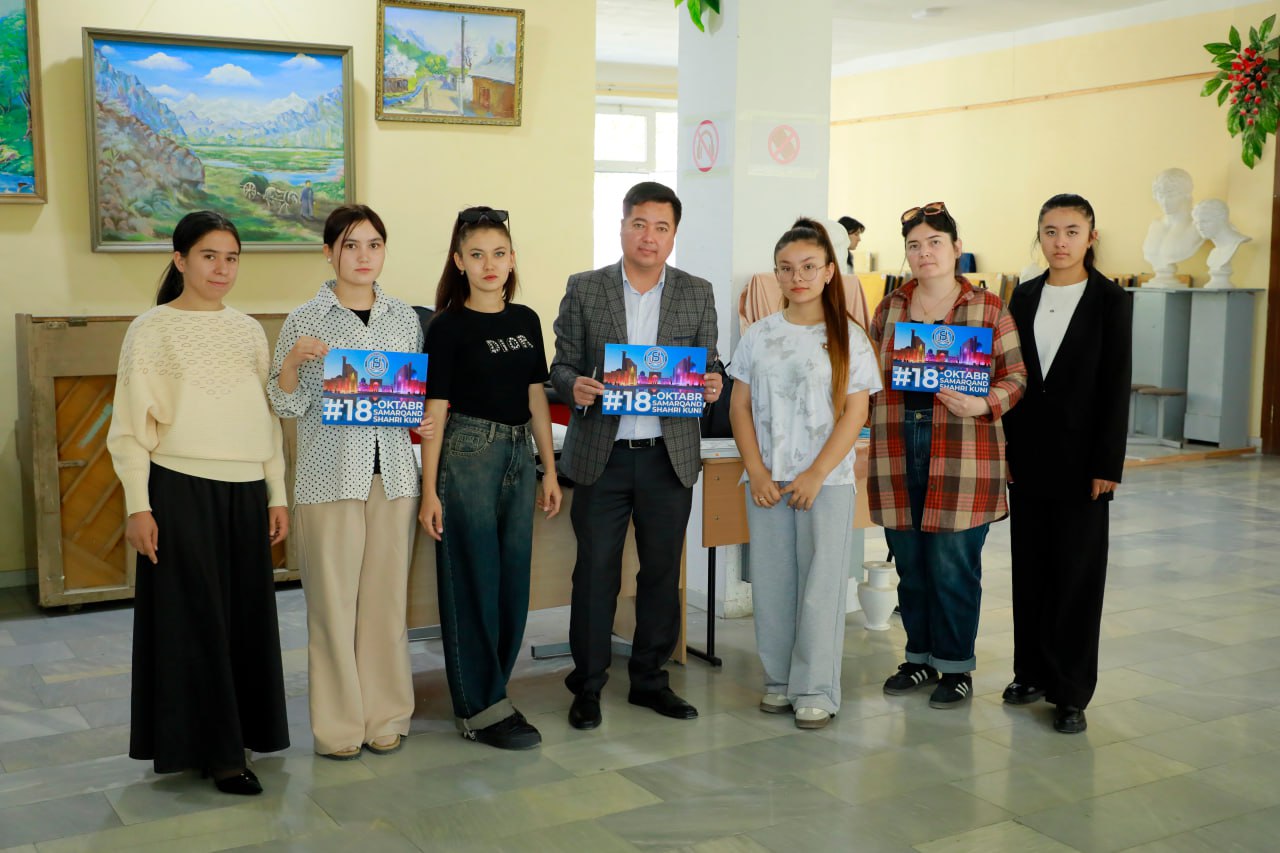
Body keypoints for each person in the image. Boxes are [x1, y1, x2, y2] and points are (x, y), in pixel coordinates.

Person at [107, 210, 289, 795]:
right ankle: (218, 754)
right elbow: (129, 429)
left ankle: (236, 739)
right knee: (193, 622)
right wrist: (138, 505)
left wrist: (276, 493)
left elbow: (265, 419)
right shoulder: (150, 329)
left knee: (244, 621)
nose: (222, 268)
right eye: (209, 256)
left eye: (231, 258)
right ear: (180, 259)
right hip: (179, 488)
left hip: (246, 492)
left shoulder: (249, 330)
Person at [550, 181, 723, 730]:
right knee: (594, 574)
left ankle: (650, 680)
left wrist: (713, 382)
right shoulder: (586, 287)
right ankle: (588, 684)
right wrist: (573, 385)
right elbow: (560, 366)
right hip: (601, 455)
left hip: (668, 457)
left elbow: (709, 364)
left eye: (661, 227)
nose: (649, 236)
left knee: (661, 574)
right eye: (639, 224)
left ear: (674, 235)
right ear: (622, 226)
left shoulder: (697, 292)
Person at [269, 204, 427, 760]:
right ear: (329, 252)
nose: (364, 256)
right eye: (351, 245)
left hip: (395, 479)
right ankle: (337, 727)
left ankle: (386, 715)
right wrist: (292, 363)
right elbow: (284, 403)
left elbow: (409, 401)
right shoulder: (304, 319)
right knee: (332, 607)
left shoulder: (404, 318)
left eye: (374, 245)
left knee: (385, 603)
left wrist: (422, 415)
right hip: (328, 480)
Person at [867, 201, 1026, 709]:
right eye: (914, 245)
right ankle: (918, 657)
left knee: (953, 566)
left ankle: (955, 667)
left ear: (957, 248)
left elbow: (1016, 377)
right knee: (910, 564)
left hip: (963, 449)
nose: (924, 253)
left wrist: (984, 403)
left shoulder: (989, 308)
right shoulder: (889, 308)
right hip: (897, 445)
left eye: (934, 242)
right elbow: (866, 377)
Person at [728, 218, 881, 730]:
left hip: (826, 484)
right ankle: (778, 681)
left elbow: (856, 413)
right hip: (767, 483)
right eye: (786, 268)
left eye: (809, 267)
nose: (798, 277)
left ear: (829, 271)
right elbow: (739, 407)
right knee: (772, 584)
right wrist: (756, 470)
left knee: (821, 587)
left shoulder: (849, 338)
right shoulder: (759, 336)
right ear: (775, 273)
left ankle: (816, 689)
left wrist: (816, 473)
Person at [418, 207, 563, 749]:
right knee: (472, 582)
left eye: (499, 253)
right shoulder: (447, 326)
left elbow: (535, 397)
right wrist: (429, 491)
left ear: (512, 258)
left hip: (519, 454)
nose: (489, 264)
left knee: (512, 584)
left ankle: (495, 692)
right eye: (476, 255)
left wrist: (549, 469)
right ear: (459, 262)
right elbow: (436, 409)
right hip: (468, 454)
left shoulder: (525, 319)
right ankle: (479, 709)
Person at [1002, 194, 1131, 734]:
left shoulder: (1110, 300)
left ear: (1090, 237)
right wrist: (1005, 451)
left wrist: (1108, 464)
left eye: (1072, 231)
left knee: (1077, 576)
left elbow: (1115, 385)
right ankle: (1030, 672)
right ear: (1039, 236)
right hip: (1028, 457)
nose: (1060, 242)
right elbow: (1011, 375)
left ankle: (1071, 692)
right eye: (1051, 231)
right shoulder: (1023, 295)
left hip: (1084, 463)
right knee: (1030, 569)